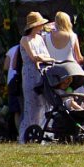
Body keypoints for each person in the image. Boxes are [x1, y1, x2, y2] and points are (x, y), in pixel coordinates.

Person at [18, 12, 55, 142]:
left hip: (42, 72)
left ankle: (42, 134)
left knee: (43, 103)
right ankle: (25, 136)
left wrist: (44, 59)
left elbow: (46, 55)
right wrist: (42, 58)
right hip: (30, 73)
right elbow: (34, 57)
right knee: (31, 104)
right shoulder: (25, 39)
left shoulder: (40, 38)